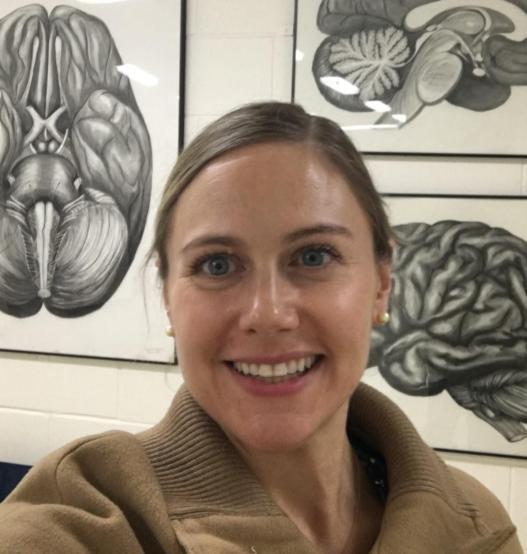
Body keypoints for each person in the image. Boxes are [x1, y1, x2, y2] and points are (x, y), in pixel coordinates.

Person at [0, 102, 522, 554]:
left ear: (381, 284)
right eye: (217, 265)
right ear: (167, 296)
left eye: (314, 255)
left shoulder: (475, 522)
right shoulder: (90, 517)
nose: (267, 314)